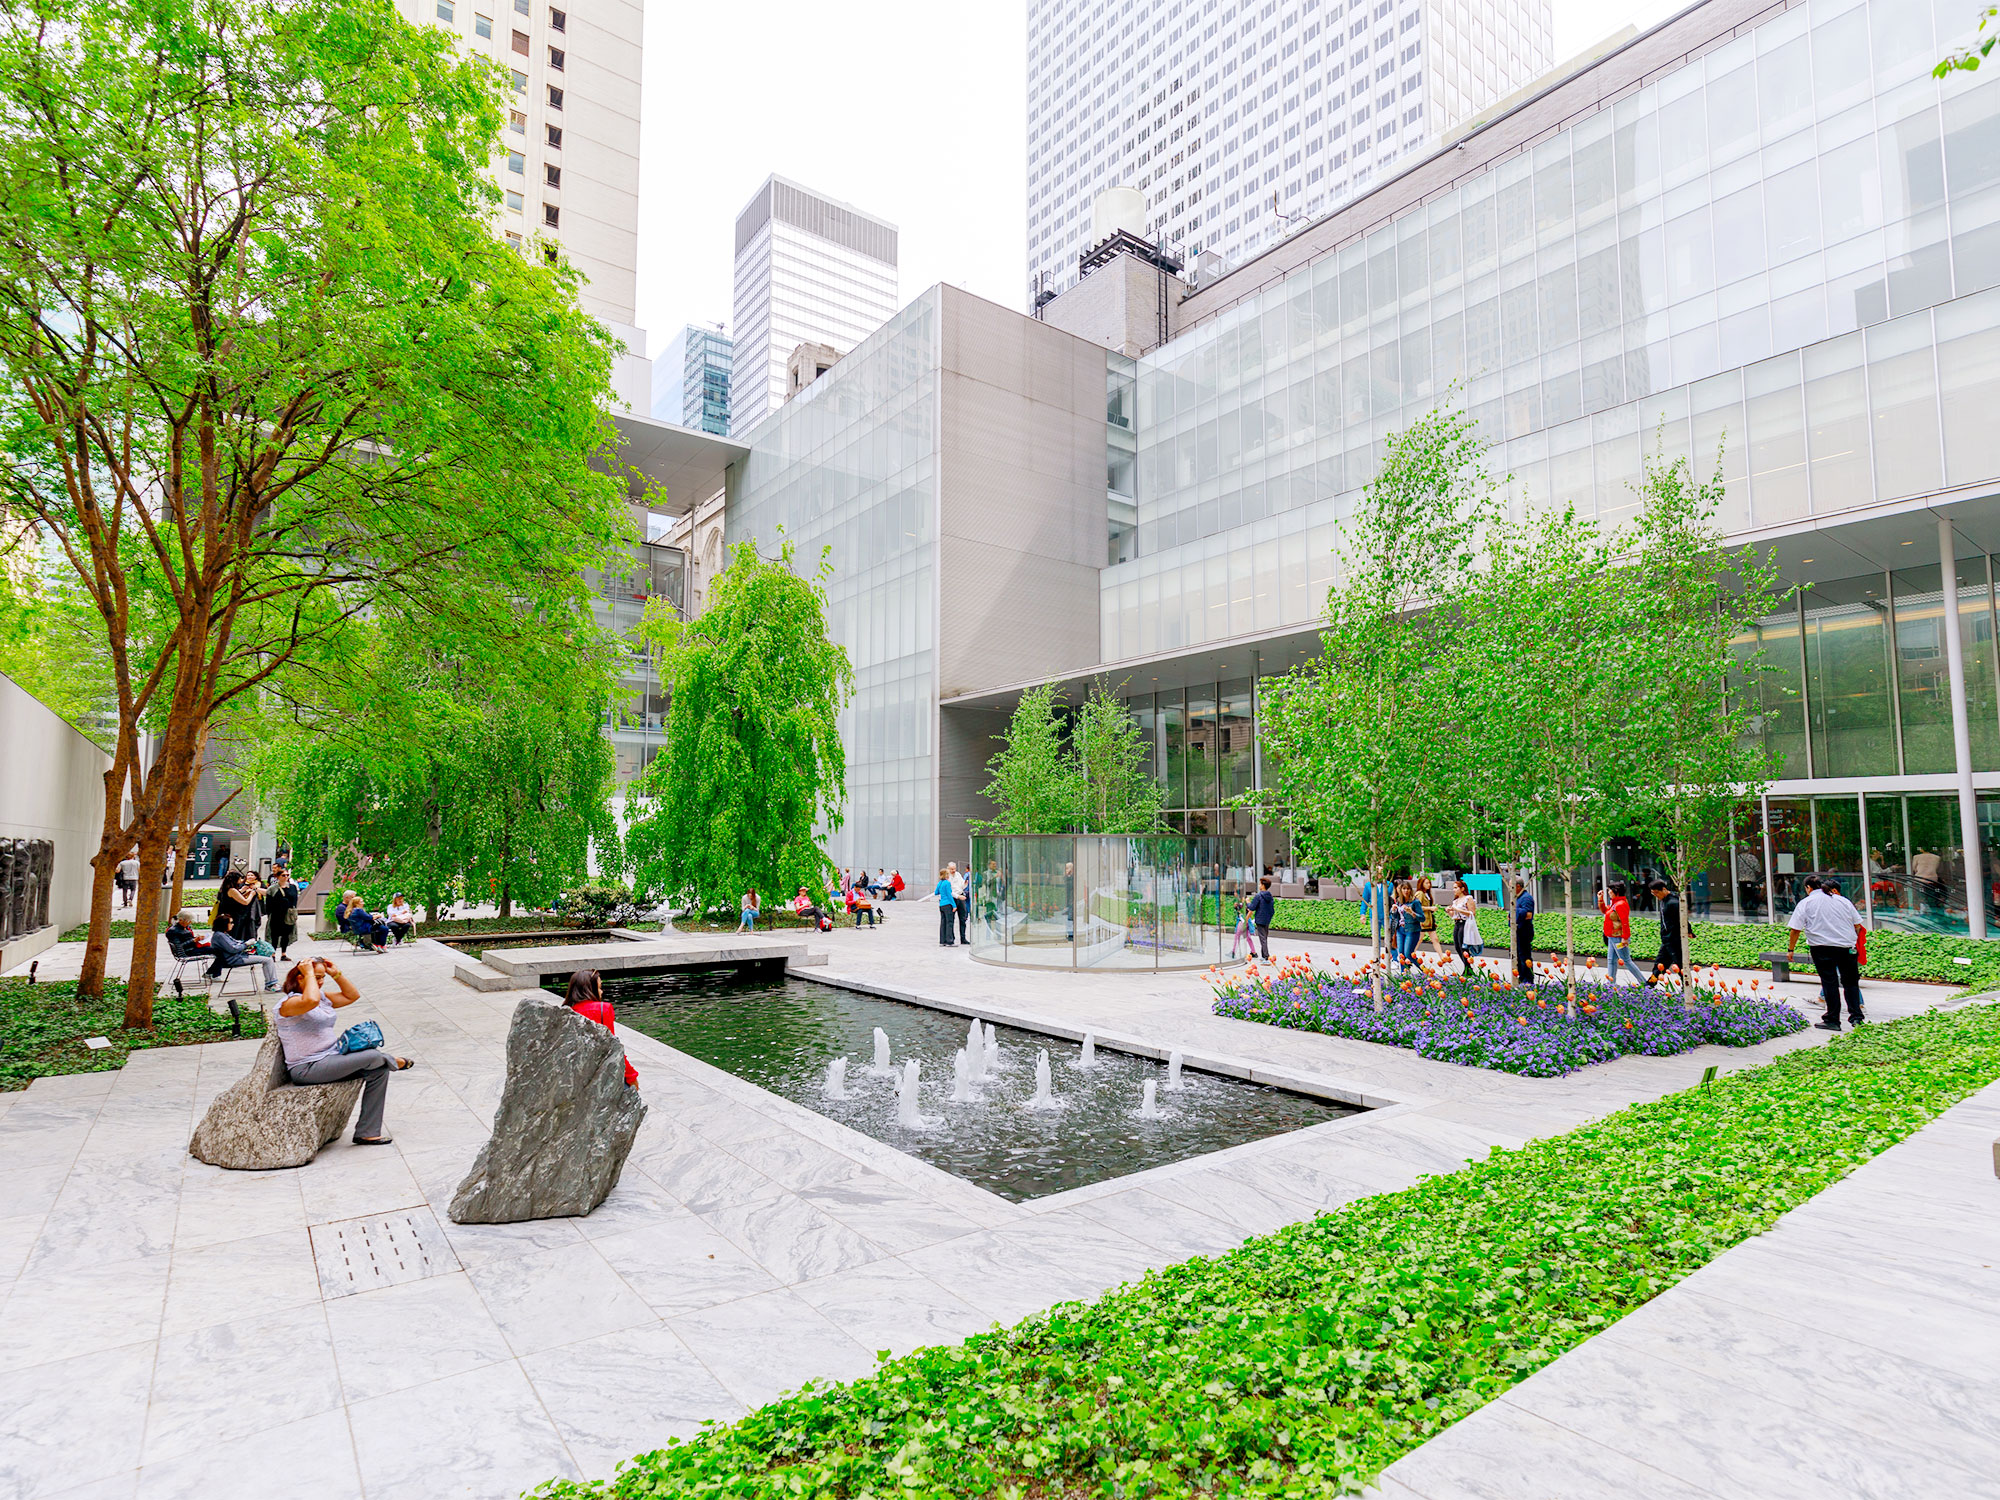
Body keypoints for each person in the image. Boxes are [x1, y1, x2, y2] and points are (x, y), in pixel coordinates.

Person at [274, 958, 412, 1145]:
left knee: (379, 1070)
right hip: (308, 1068)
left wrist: (336, 974)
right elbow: (310, 1000)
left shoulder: (321, 997)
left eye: (322, 978)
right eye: (317, 977)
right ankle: (393, 1060)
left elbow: (351, 996)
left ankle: (367, 1132)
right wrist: (308, 973)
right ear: (300, 978)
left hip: (332, 1058)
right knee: (373, 1056)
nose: (321, 982)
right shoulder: (289, 1004)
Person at [1786, 874, 1866, 1031]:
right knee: (1850, 982)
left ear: (1808, 888)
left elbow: (1795, 929)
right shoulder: (1842, 900)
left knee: (1829, 982)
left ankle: (1833, 1020)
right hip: (1847, 947)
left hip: (1821, 947)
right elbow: (1857, 924)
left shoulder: (1806, 902)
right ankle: (1856, 1018)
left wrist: (1791, 950)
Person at [564, 968, 636, 1086]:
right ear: (590, 989)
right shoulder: (603, 1009)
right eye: (599, 987)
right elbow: (613, 1046)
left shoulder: (567, 1012)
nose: (601, 992)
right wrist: (631, 1075)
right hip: (601, 1072)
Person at [207, 912, 279, 992]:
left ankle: (271, 983)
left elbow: (235, 942)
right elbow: (233, 949)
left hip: (236, 957)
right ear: (224, 924)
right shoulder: (220, 936)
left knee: (266, 957)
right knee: (268, 960)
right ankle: (271, 984)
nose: (233, 924)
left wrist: (246, 942)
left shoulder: (222, 934)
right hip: (234, 959)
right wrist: (246, 944)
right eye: (230, 923)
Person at [1601, 880, 1648, 986]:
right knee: (1611, 960)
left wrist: (1625, 937)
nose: (1608, 892)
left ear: (1615, 891)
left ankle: (1644, 983)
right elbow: (1605, 911)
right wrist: (1600, 900)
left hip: (1618, 937)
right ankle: (1611, 983)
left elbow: (1624, 922)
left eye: (1609, 891)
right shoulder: (1615, 903)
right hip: (1612, 937)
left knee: (1626, 960)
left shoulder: (1620, 904)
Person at [1649, 878, 1684, 981]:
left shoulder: (1673, 902)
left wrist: (1689, 931)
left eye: (1656, 893)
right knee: (1660, 963)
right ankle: (1650, 984)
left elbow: (1681, 919)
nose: (1655, 896)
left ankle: (1687, 986)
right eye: (1653, 894)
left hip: (1674, 939)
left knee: (1679, 963)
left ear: (1663, 889)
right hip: (1667, 939)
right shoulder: (1664, 901)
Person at [263, 865, 300, 961]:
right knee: (274, 935)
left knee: (286, 934)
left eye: (287, 875)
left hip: (288, 914)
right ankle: (273, 954)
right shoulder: (272, 888)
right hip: (276, 914)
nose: (286, 877)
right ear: (278, 877)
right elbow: (269, 903)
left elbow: (295, 901)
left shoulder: (292, 887)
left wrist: (294, 912)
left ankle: (284, 953)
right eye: (283, 875)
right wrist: (269, 914)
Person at [1447, 879, 1477, 976]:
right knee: (1457, 946)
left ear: (1462, 888)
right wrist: (1449, 911)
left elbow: (1472, 913)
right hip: (1457, 923)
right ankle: (1467, 967)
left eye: (1456, 888)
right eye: (1453, 888)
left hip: (1465, 923)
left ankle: (1467, 968)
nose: (1454, 890)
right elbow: (1454, 915)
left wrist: (1458, 909)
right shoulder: (1455, 901)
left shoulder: (1468, 898)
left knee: (1463, 947)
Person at [1415, 875, 1446, 961]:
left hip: (1429, 919)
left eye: (1429, 883)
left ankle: (1442, 957)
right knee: (1419, 939)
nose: (1429, 885)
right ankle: (1411, 955)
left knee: (1435, 939)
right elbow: (1417, 907)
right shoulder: (1419, 894)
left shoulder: (1426, 893)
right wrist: (1429, 908)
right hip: (1423, 920)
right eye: (1427, 883)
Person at [1513, 878, 1536, 985]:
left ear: (1518, 886)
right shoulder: (1517, 898)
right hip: (1518, 929)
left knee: (1524, 954)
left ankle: (1527, 979)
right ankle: (1522, 977)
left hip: (1524, 930)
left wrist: (1515, 914)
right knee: (1518, 954)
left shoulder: (1526, 898)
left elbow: (1528, 915)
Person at [1247, 876, 1275, 960]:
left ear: (1263, 885)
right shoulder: (1269, 896)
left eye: (1260, 884)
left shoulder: (1258, 896)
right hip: (1267, 919)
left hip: (1260, 919)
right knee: (1264, 937)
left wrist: (1248, 902)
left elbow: (1252, 907)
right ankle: (1264, 955)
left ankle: (1266, 957)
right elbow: (1272, 909)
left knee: (1262, 938)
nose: (1259, 885)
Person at [934, 867, 956, 946]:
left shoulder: (940, 883)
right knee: (949, 922)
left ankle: (942, 941)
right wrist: (954, 905)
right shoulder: (947, 883)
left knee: (943, 923)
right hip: (947, 904)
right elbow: (949, 895)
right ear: (946, 875)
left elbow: (936, 892)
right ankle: (949, 941)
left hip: (941, 904)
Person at [950, 862, 970, 946]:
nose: (953, 870)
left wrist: (965, 883)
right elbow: (949, 891)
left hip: (961, 896)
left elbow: (962, 885)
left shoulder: (958, 874)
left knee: (963, 918)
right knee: (951, 919)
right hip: (954, 898)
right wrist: (958, 896)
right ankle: (951, 938)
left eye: (954, 869)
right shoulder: (948, 877)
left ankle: (963, 938)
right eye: (951, 869)